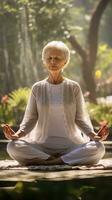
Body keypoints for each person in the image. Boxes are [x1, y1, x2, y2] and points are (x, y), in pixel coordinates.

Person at [2, 41, 108, 166]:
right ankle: (61, 160)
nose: (53, 62)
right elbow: (31, 118)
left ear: (65, 61)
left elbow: (80, 119)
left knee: (98, 148)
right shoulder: (37, 88)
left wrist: (94, 135)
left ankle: (51, 161)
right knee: (12, 146)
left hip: (71, 145)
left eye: (57, 58)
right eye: (49, 58)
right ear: (44, 61)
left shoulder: (73, 87)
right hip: (42, 146)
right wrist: (17, 135)